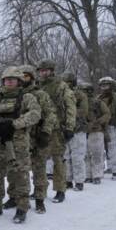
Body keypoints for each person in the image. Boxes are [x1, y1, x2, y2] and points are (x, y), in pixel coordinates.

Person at [0, 67, 41, 223]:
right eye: (6, 79)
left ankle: (22, 207)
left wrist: (14, 124)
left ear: (19, 81)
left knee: (21, 175)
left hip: (19, 143)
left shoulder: (26, 97)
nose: (9, 81)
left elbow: (35, 114)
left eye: (13, 79)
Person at [36, 59, 76, 203]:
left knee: (58, 159)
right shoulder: (38, 86)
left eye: (45, 70)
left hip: (58, 128)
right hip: (41, 128)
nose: (43, 73)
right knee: (39, 160)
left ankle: (60, 190)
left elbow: (70, 107)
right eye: (41, 71)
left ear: (52, 71)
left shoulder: (61, 86)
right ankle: (40, 189)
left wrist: (70, 127)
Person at [19, 64, 57, 214]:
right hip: (21, 138)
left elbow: (50, 114)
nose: (22, 79)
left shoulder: (40, 94)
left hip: (38, 136)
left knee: (39, 169)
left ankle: (40, 199)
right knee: (20, 170)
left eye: (26, 76)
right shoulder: (15, 94)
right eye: (20, 76)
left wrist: (46, 132)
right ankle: (20, 198)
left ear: (31, 78)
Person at [61, 72, 88, 191]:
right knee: (66, 156)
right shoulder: (60, 94)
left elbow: (83, 111)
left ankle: (79, 181)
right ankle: (68, 180)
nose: (66, 85)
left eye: (68, 82)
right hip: (64, 128)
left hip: (78, 129)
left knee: (77, 156)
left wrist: (70, 112)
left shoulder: (80, 95)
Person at [97, 77, 116, 180]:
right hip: (103, 127)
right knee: (105, 148)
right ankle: (110, 167)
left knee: (115, 148)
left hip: (115, 126)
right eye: (102, 85)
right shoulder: (99, 98)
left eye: (106, 85)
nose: (104, 87)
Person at [83, 82, 111, 184]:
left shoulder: (97, 102)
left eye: (85, 91)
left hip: (96, 130)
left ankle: (97, 175)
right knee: (85, 155)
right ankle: (88, 175)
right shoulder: (79, 102)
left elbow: (107, 114)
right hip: (83, 131)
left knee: (96, 153)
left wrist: (97, 122)